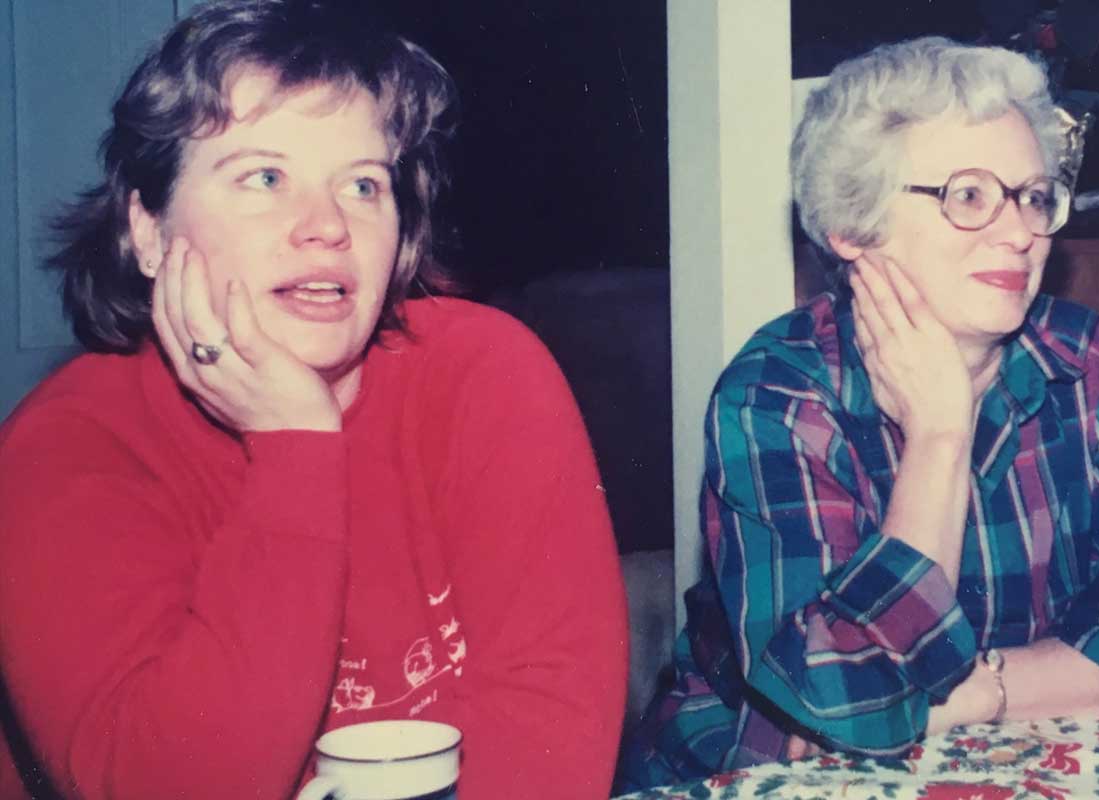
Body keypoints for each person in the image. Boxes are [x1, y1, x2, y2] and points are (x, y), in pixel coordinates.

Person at [0, 2, 628, 797]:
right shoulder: (69, 448)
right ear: (150, 231)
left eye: (363, 184)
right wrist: (296, 445)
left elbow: (554, 741)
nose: (327, 226)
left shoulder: (486, 373)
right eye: (265, 177)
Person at [619, 36, 1099, 789]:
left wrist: (979, 691)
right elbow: (840, 702)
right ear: (853, 228)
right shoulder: (777, 395)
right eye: (968, 195)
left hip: (1026, 764)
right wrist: (939, 437)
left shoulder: (1089, 363)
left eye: (1031, 194)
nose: (1021, 232)